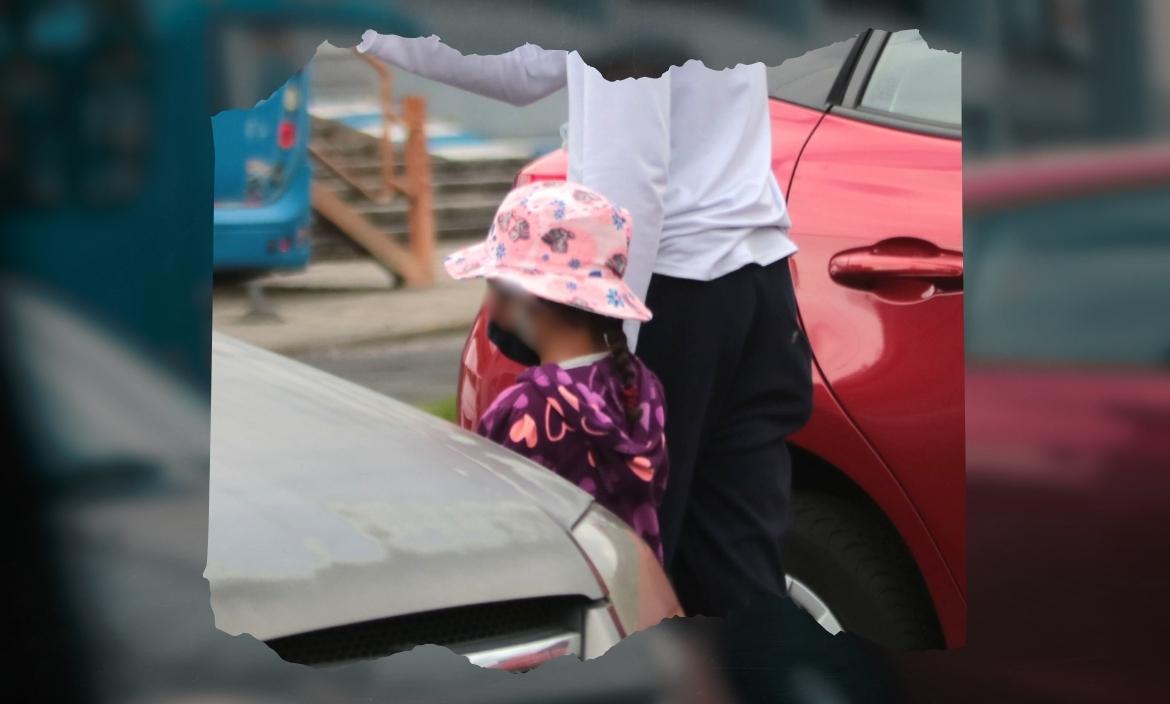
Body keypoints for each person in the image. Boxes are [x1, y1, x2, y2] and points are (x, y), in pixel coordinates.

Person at [360, 32, 812, 616]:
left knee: (617, 580)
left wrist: (600, 361)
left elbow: (625, 183)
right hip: (752, 274)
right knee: (737, 573)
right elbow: (527, 66)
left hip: (671, 287)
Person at [446, 180, 670, 561]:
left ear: (527, 296)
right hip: (630, 604)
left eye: (492, 284)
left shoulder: (525, 410)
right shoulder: (642, 386)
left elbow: (496, 533)